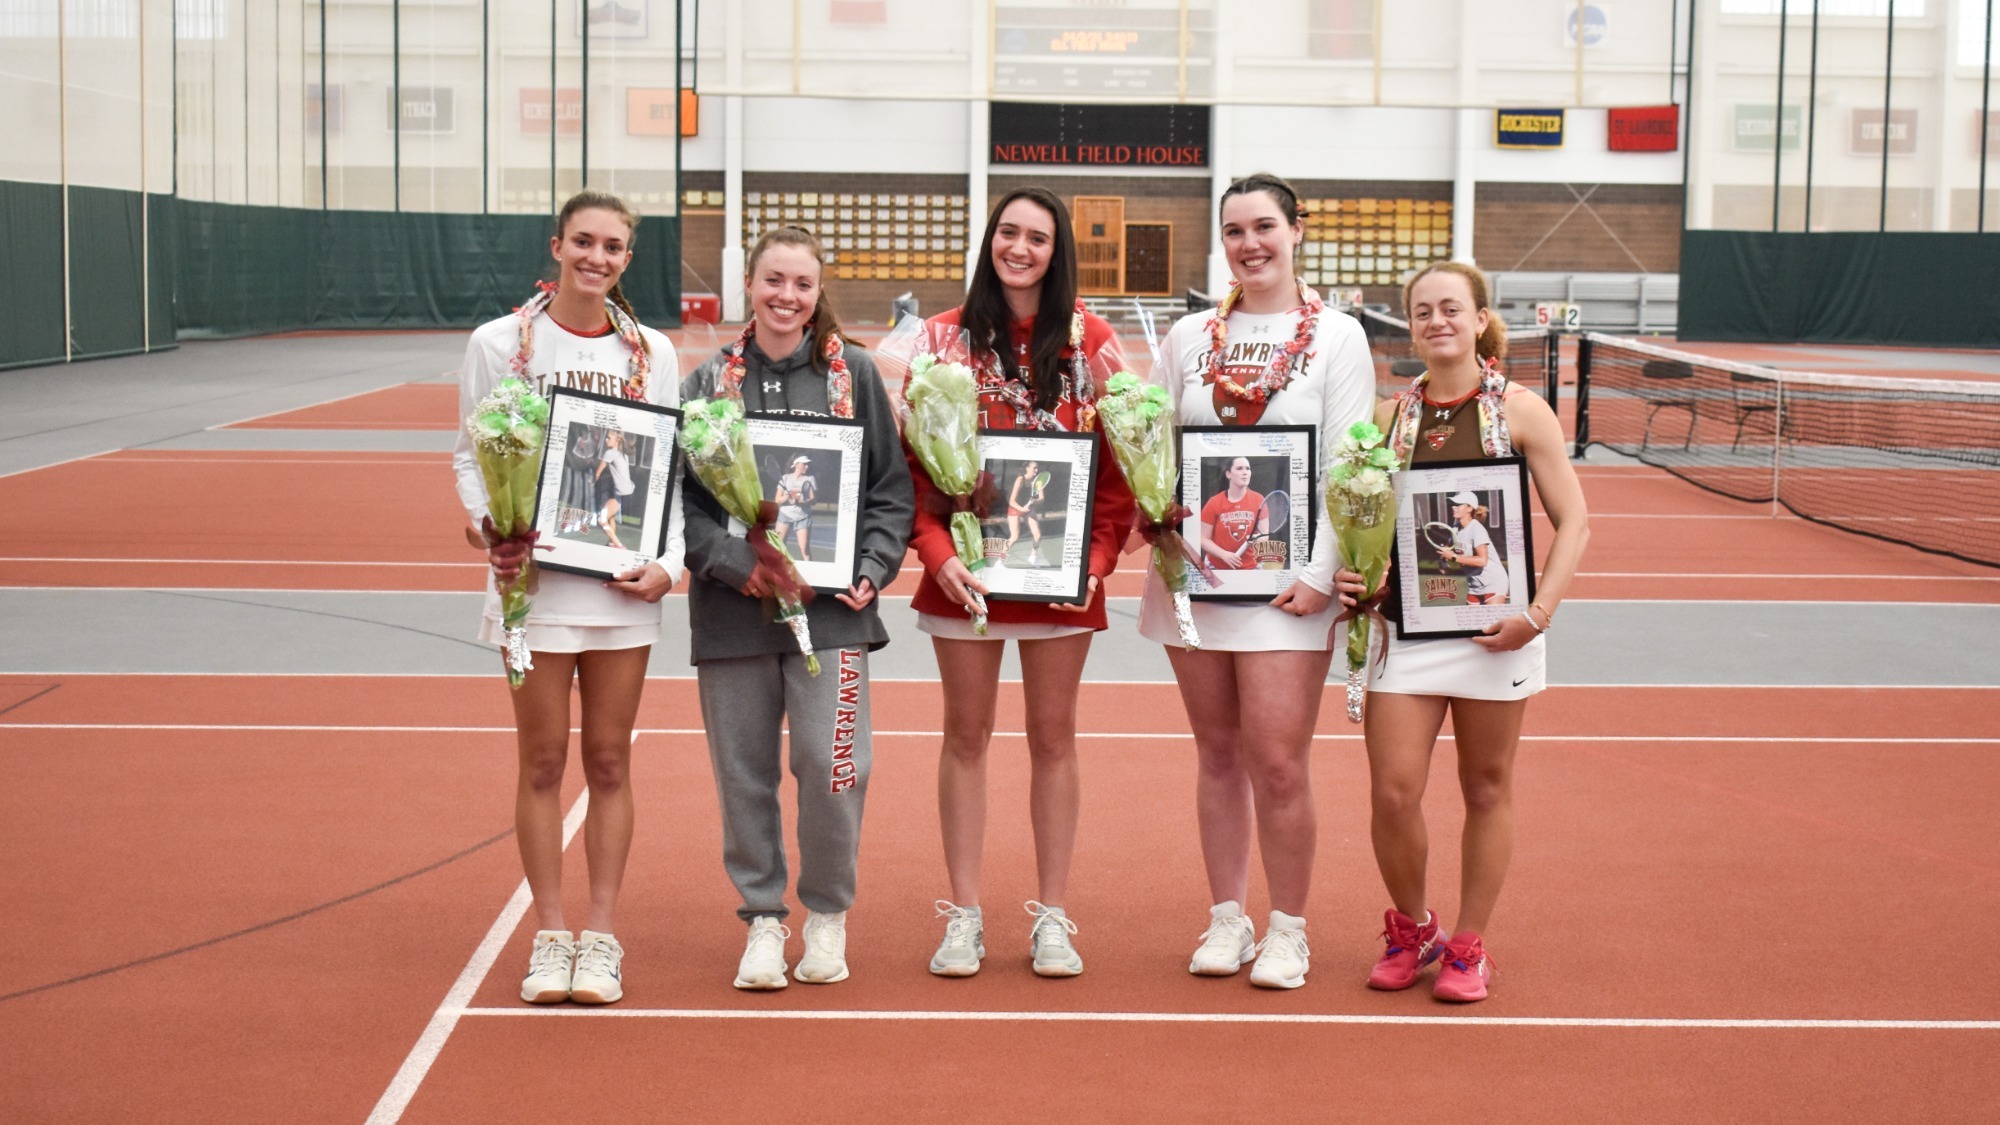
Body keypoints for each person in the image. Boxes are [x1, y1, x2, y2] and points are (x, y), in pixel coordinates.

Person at [1135, 172, 1375, 989]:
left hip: (1288, 590)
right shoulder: (1189, 336)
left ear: (1296, 230)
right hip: (1196, 582)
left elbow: (1350, 457)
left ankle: (1289, 928)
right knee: (1217, 753)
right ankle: (1227, 917)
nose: (1251, 244)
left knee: (1278, 761)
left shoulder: (1339, 336)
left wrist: (1317, 574)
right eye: (1235, 230)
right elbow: (1155, 444)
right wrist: (1155, 505)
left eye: (1265, 226)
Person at [450, 188, 683, 1006]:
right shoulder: (498, 342)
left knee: (610, 761)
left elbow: (671, 471)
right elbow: (470, 457)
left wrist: (671, 562)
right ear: (557, 247)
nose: (597, 257)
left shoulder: (651, 350)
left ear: (628, 258)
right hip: (534, 589)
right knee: (543, 760)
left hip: (621, 586)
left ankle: (604, 935)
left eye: (613, 246)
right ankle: (551, 935)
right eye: (583, 242)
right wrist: (490, 528)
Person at [1341, 261, 1588, 1003]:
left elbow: (1574, 520)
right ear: (1410, 325)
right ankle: (1414, 927)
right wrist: (1364, 573)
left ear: (1480, 318)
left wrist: (1537, 614)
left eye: (1452, 307)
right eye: (1423, 310)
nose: (1437, 320)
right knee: (1392, 790)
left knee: (1485, 786)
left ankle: (1470, 945)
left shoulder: (1521, 410)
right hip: (1406, 633)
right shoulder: (1389, 417)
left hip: (1499, 631)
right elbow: (1371, 520)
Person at [908, 186, 1135, 978]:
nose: (1020, 248)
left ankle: (1052, 916)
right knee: (965, 738)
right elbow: (914, 476)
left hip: (1061, 580)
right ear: (989, 240)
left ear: (1057, 250)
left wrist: (1097, 567)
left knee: (1053, 739)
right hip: (963, 578)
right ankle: (964, 914)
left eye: (1038, 237)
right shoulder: (939, 340)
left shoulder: (1093, 343)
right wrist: (939, 556)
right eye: (1008, 232)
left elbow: (1120, 476)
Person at [681, 225, 913, 990]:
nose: (787, 297)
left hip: (835, 611)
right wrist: (734, 562)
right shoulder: (708, 382)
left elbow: (887, 489)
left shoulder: (856, 375)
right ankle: (761, 918)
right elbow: (682, 503)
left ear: (820, 292)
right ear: (750, 284)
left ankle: (826, 914)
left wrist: (874, 566)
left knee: (832, 762)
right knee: (744, 772)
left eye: (802, 284)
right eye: (773, 281)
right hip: (733, 614)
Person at [1439, 490, 1508, 604]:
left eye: (1458, 504)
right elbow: (1448, 547)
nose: (1453, 507)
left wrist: (1454, 557)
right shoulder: (1455, 528)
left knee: (1493, 622)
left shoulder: (1477, 529)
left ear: (1469, 508)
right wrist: (1443, 561)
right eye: (1453, 504)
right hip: (1474, 586)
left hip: (1494, 582)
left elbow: (1482, 561)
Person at [1200, 455, 1267, 570]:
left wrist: (1256, 539)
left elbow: (1265, 536)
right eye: (1239, 468)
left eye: (1248, 468)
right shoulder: (1214, 502)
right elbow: (1202, 538)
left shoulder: (1259, 500)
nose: (1245, 472)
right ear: (1228, 474)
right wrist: (1224, 555)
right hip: (1216, 566)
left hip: (1252, 567)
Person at [594, 429, 637, 551]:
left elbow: (598, 472)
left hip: (622, 493)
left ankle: (618, 545)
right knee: (609, 517)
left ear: (617, 439)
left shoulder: (610, 453)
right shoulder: (623, 454)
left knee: (602, 520)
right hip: (626, 492)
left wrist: (592, 481)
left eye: (609, 438)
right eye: (606, 437)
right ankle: (611, 543)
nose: (606, 440)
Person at [1002, 460, 1046, 567]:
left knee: (1037, 535)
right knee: (1014, 537)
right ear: (1027, 468)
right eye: (1034, 468)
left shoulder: (1037, 481)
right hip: (1015, 507)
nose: (1036, 470)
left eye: (1037, 468)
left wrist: (1034, 501)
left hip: (1028, 508)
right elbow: (1011, 501)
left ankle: (1033, 557)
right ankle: (1000, 560)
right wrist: (1021, 509)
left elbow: (1042, 498)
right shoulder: (1020, 479)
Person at [774, 454, 818, 561]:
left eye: (808, 465)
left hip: (803, 517)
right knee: (778, 547)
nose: (807, 467)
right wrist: (787, 496)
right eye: (805, 464)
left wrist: (803, 501)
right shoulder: (785, 478)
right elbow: (777, 500)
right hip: (784, 516)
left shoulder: (810, 479)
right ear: (797, 465)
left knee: (805, 550)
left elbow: (814, 499)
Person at [563, 426, 602, 533]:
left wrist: (592, 461)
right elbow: (577, 451)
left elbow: (596, 454)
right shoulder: (582, 433)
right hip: (579, 467)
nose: (596, 436)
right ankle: (574, 521)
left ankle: (588, 521)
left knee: (590, 496)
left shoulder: (598, 441)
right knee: (578, 494)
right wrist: (585, 460)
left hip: (590, 469)